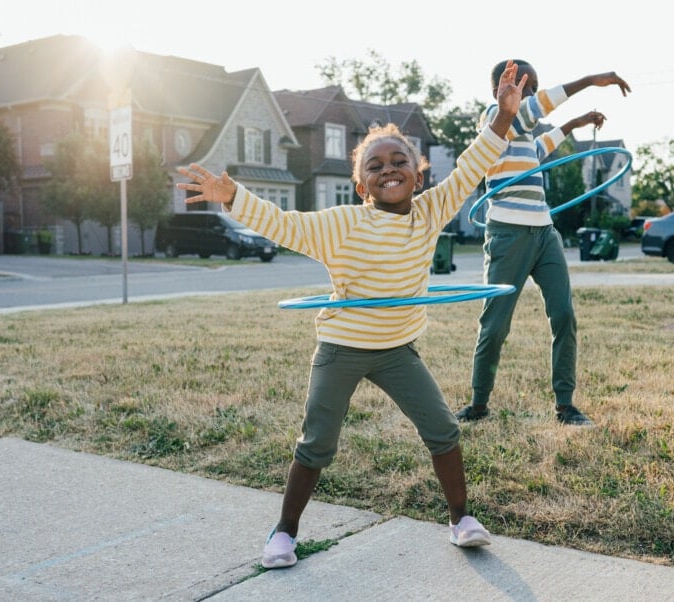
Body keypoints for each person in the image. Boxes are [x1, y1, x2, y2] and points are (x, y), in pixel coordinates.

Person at [176, 61, 526, 569]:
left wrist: (502, 118)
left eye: (398, 160)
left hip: (397, 349)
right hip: (342, 347)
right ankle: (284, 531)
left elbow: (472, 166)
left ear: (418, 171)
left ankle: (461, 519)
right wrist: (232, 195)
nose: (388, 169)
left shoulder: (430, 213)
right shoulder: (341, 224)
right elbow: (282, 223)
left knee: (443, 429)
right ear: (361, 185)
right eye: (375, 165)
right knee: (317, 442)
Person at [455, 60, 631, 427]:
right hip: (507, 234)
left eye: (534, 86)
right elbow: (533, 111)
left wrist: (578, 122)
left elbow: (544, 144)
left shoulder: (523, 140)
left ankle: (565, 405)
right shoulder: (494, 122)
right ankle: (478, 403)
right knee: (496, 325)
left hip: (544, 232)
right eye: (522, 85)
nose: (530, 93)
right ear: (499, 91)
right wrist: (588, 80)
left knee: (564, 315)